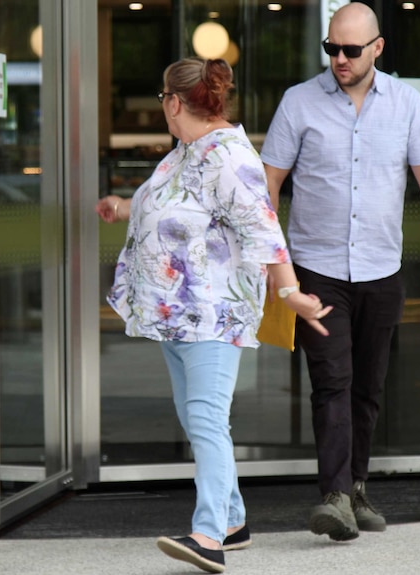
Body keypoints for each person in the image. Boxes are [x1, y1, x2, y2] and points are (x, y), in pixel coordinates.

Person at [96, 57, 332, 573]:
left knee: (206, 419)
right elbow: (174, 204)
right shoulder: (187, 152)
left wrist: (289, 292)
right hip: (177, 313)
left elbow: (262, 228)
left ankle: (207, 536)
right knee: (197, 417)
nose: (163, 105)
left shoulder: (228, 155)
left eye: (163, 97)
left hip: (212, 313)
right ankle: (232, 519)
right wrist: (124, 208)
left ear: (175, 102)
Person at [260, 3, 420, 542]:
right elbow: (267, 185)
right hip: (317, 269)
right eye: (331, 49)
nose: (339, 59)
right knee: (333, 383)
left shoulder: (407, 104)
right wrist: (275, 266)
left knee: (368, 388)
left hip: (380, 269)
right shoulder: (298, 102)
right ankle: (336, 497)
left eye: (350, 50)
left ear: (378, 48)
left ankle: (358, 486)